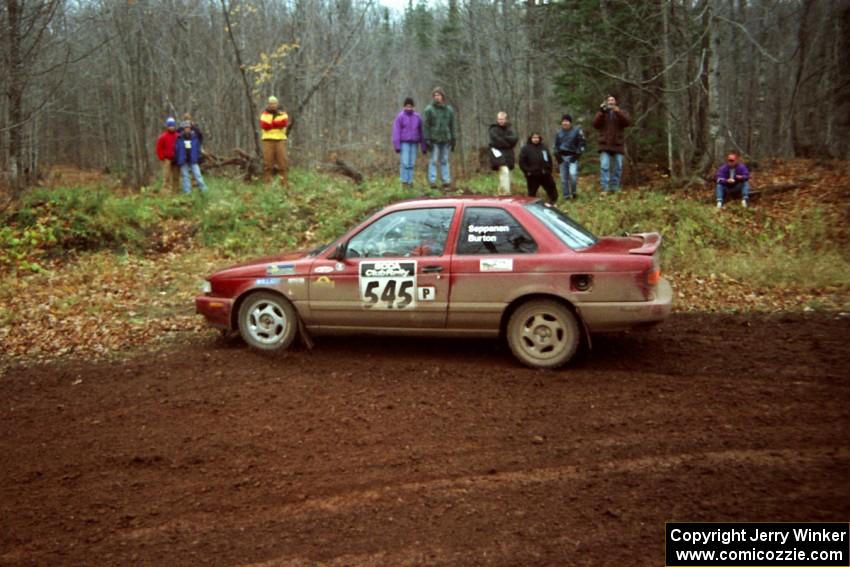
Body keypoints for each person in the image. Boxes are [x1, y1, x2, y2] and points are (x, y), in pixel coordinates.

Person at [592, 94, 631, 193]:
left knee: (618, 166)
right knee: (604, 166)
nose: (611, 102)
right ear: (606, 102)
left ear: (615, 102)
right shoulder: (602, 113)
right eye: (609, 100)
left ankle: (615, 187)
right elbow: (595, 124)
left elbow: (627, 122)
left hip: (618, 143)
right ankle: (605, 188)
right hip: (604, 144)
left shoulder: (621, 112)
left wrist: (618, 112)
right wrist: (601, 112)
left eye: (612, 100)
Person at [422, 87, 456, 191]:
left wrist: (453, 138)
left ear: (443, 97)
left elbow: (452, 125)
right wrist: (427, 139)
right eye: (435, 95)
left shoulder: (449, 110)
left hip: (445, 138)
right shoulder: (429, 109)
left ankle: (446, 181)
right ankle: (432, 181)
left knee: (445, 160)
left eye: (439, 95)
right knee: (433, 160)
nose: (437, 97)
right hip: (434, 139)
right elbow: (426, 125)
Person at [392, 97, 426, 188]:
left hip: (414, 143)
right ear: (404, 106)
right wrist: (397, 145)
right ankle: (404, 182)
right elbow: (396, 131)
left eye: (410, 106)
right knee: (405, 163)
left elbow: (422, 132)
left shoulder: (417, 117)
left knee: (411, 164)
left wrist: (423, 146)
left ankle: (410, 182)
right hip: (404, 143)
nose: (409, 108)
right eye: (407, 106)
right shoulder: (400, 117)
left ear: (413, 107)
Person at [553, 114, 586, 199]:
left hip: (572, 157)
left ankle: (574, 192)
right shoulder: (558, 132)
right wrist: (557, 156)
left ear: (570, 122)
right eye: (563, 121)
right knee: (564, 179)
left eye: (567, 121)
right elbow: (555, 146)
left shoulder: (577, 131)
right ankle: (566, 195)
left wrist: (577, 155)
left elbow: (582, 143)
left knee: (573, 175)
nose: (565, 123)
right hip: (562, 157)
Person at [519, 133, 558, 203]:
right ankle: (531, 207)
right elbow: (522, 161)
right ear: (531, 138)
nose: (536, 139)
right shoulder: (526, 148)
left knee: (552, 190)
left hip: (544, 173)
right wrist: (527, 171)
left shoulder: (544, 147)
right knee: (532, 194)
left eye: (537, 138)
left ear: (539, 138)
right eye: (534, 138)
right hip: (532, 175)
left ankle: (552, 202)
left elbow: (549, 159)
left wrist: (549, 170)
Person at [260, 96, 289, 186]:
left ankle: (284, 184)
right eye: (270, 104)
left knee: (282, 163)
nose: (272, 105)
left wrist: (272, 124)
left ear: (277, 104)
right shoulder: (264, 114)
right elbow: (265, 125)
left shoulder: (283, 114)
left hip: (280, 139)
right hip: (268, 140)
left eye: (274, 103)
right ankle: (268, 184)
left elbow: (283, 123)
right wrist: (276, 124)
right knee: (268, 164)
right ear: (268, 104)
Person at [488, 111, 519, 195]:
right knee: (504, 172)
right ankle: (505, 194)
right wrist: (508, 142)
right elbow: (496, 140)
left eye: (502, 119)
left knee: (508, 175)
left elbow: (515, 139)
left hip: (509, 155)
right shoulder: (493, 129)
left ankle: (503, 193)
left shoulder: (510, 128)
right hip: (497, 155)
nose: (501, 121)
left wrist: (504, 139)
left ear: (505, 119)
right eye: (499, 119)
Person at [174, 120, 208, 195]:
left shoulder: (195, 137)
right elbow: (177, 149)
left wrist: (199, 157)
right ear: (183, 129)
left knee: (198, 175)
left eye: (189, 128)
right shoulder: (179, 138)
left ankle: (204, 191)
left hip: (193, 160)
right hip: (183, 160)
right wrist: (176, 159)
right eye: (185, 128)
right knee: (185, 177)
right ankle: (187, 193)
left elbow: (198, 146)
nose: (187, 129)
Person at [155, 117, 179, 192]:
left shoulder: (178, 136)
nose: (171, 127)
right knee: (166, 176)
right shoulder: (163, 137)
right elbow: (158, 148)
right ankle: (166, 191)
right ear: (167, 127)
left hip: (176, 159)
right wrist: (162, 157)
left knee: (176, 176)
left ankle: (176, 191)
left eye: (173, 126)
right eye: (170, 126)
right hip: (167, 159)